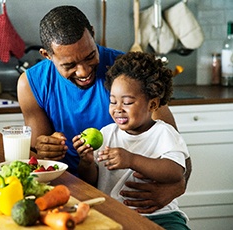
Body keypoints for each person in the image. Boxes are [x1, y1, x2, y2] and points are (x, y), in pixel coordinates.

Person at [17, 5, 192, 214]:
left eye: (90, 56)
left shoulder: (127, 74)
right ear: (47, 55)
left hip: (129, 202)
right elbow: (39, 160)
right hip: (63, 194)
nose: (84, 71)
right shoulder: (31, 84)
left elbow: (179, 154)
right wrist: (44, 148)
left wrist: (176, 187)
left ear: (92, 33)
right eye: (69, 65)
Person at [73, 52, 190, 229]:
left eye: (127, 103)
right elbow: (92, 181)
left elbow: (175, 172)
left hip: (160, 215)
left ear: (152, 105)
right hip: (113, 214)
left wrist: (131, 160)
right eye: (113, 102)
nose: (118, 109)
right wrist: (87, 162)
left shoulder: (164, 133)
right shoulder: (107, 133)